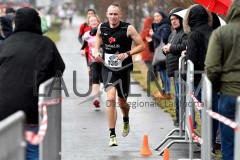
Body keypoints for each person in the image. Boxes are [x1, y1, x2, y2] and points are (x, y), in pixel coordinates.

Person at [0, 7, 65, 160]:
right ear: (37, 22)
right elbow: (59, 68)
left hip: (4, 109)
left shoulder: (6, 44)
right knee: (32, 149)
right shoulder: (46, 44)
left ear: (16, 23)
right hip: (31, 107)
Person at [94, 3, 145, 147]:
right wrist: (96, 50)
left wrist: (127, 53)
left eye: (115, 14)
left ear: (120, 15)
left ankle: (126, 118)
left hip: (124, 69)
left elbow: (142, 45)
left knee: (122, 102)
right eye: (110, 14)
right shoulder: (102, 27)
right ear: (107, 15)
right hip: (108, 68)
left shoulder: (128, 28)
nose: (113, 17)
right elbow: (98, 37)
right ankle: (112, 134)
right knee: (110, 98)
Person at [205, 1, 240, 159]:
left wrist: (218, 88)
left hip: (229, 93)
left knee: (228, 143)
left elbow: (211, 67)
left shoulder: (221, 33)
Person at [163, 7, 187, 126]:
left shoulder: (186, 32)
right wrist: (165, 49)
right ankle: (179, 120)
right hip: (173, 70)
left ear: (181, 19)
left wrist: (170, 48)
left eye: (176, 18)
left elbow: (185, 46)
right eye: (171, 19)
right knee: (177, 97)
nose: (173, 21)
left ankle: (182, 121)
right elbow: (169, 47)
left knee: (180, 97)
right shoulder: (172, 34)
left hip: (181, 70)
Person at [149, 10, 171, 99]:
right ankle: (164, 91)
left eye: (158, 16)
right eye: (155, 16)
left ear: (162, 16)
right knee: (162, 72)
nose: (156, 18)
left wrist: (153, 34)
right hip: (160, 52)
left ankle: (168, 93)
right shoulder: (160, 26)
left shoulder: (166, 26)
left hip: (164, 53)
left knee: (164, 73)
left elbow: (164, 39)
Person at [80, 15, 102, 108]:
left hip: (104, 59)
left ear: (98, 22)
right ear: (89, 24)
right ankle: (96, 98)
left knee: (104, 79)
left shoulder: (103, 33)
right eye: (91, 21)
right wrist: (88, 65)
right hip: (93, 60)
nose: (93, 22)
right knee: (95, 77)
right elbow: (84, 47)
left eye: (95, 20)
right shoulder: (86, 35)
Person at [78, 9, 96, 87]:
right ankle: (92, 79)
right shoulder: (84, 25)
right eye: (89, 13)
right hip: (88, 50)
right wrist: (83, 46)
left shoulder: (99, 24)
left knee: (97, 66)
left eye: (92, 13)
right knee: (90, 66)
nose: (90, 14)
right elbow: (79, 37)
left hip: (97, 50)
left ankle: (96, 79)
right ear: (87, 15)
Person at [140, 16, 155, 81]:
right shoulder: (150, 31)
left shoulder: (144, 31)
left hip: (145, 52)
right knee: (150, 66)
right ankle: (152, 79)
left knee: (150, 66)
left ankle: (151, 79)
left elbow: (140, 39)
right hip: (149, 51)